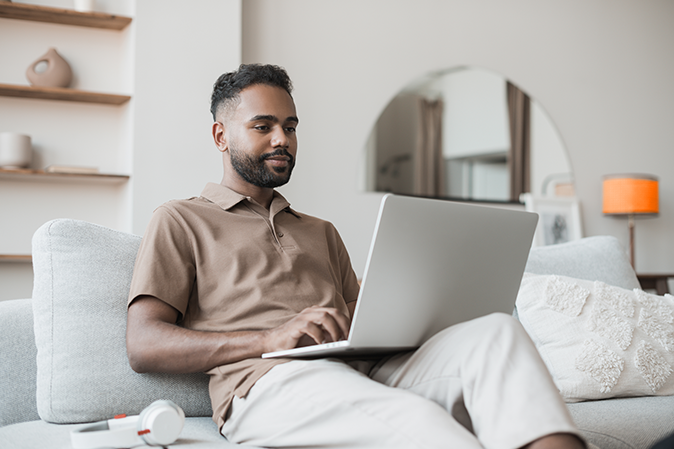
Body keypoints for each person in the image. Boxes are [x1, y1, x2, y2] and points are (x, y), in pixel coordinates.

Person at [126, 63, 587, 449]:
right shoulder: (180, 219)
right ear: (220, 136)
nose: (282, 139)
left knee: (497, 334)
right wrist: (271, 338)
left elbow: (356, 320)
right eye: (262, 126)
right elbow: (144, 345)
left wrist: (407, 309)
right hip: (266, 385)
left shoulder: (320, 231)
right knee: (420, 423)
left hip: (362, 371)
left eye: (290, 127)